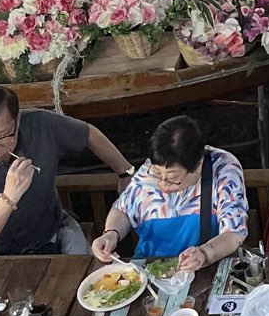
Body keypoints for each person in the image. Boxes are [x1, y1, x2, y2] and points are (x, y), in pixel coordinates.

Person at [0, 85, 133, 259]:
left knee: (86, 278)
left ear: (17, 120)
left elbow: (88, 134)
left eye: (4, 136)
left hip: (54, 232)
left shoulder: (40, 124)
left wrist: (125, 171)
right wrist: (9, 197)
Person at [93, 114, 247, 271]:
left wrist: (205, 253)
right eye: (157, 175)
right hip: (149, 269)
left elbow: (234, 234)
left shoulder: (223, 169)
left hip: (203, 270)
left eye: (172, 179)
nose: (162, 185)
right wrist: (111, 234)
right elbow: (123, 209)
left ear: (198, 165)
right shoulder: (154, 167)